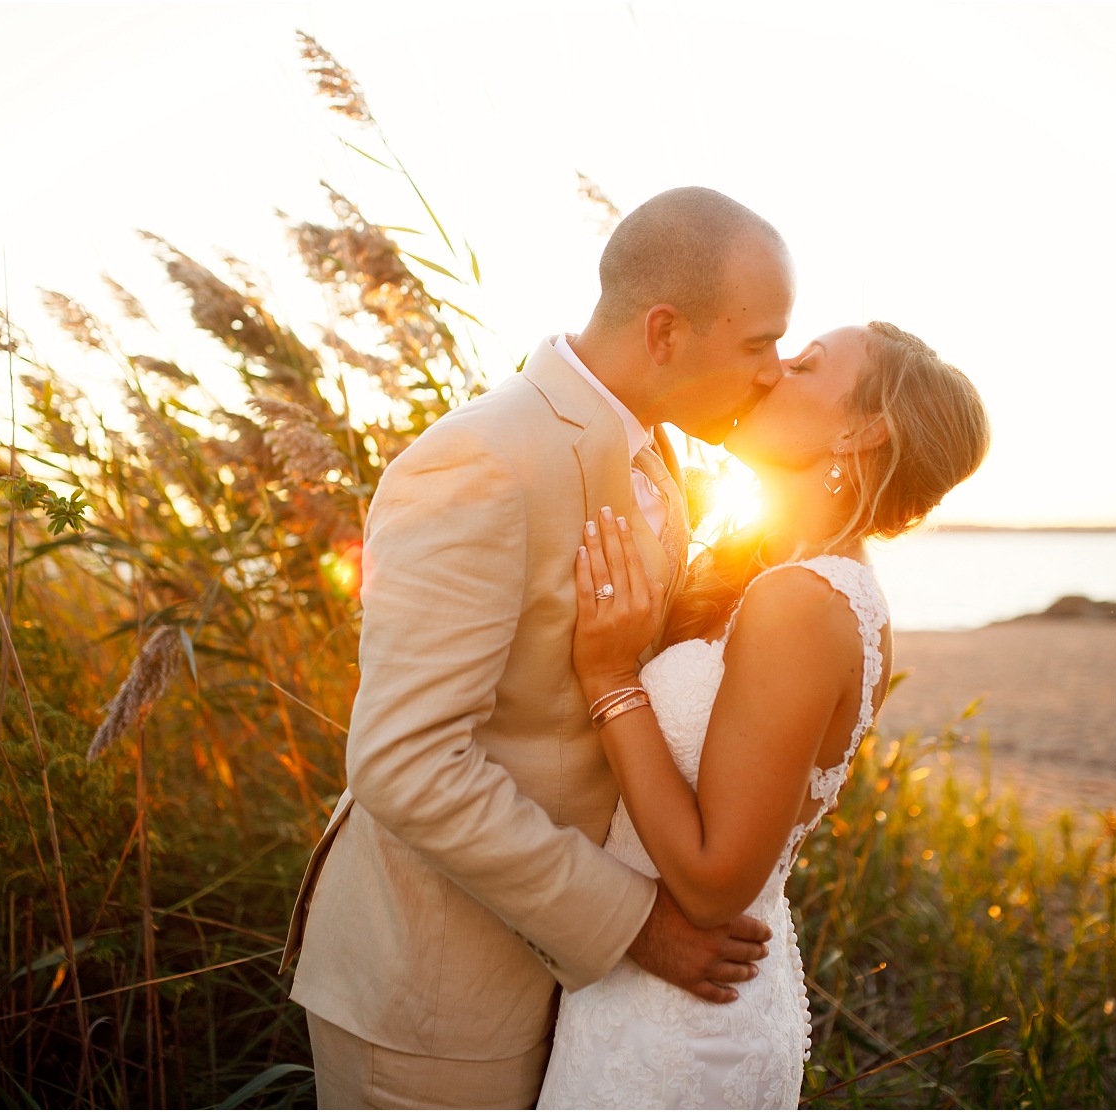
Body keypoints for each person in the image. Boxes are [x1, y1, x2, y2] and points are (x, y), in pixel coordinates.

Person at [280, 187, 795, 1108]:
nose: (772, 371)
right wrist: (636, 923)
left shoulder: (656, 455)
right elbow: (405, 763)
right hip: (433, 1000)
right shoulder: (480, 459)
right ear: (667, 332)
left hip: (561, 992)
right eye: (758, 343)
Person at [538, 322, 991, 1107]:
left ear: (860, 427)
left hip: (680, 1022)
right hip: (650, 995)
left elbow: (715, 884)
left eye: (807, 364)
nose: (773, 369)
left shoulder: (802, 603)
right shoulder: (787, 578)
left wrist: (611, 678)